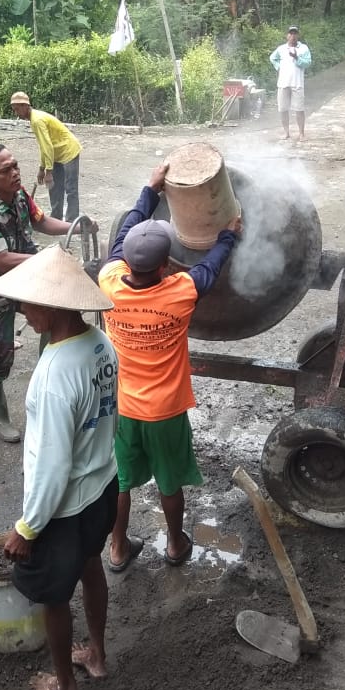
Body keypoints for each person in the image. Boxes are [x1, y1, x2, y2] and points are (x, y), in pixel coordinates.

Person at [0, 244, 119, 690]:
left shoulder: (55, 372)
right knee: (91, 565)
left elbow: (52, 464)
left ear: (51, 304)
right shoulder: (101, 344)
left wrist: (28, 527)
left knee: (54, 596)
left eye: (27, 302)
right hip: (103, 487)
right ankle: (97, 655)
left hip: (64, 508)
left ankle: (65, 686)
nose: (23, 312)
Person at [98, 164, 241, 571]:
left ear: (127, 262)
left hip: (124, 407)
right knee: (169, 479)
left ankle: (118, 547)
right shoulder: (180, 293)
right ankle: (176, 544)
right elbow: (211, 266)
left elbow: (126, 233)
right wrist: (229, 232)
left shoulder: (109, 281)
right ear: (166, 266)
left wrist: (148, 190)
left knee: (121, 480)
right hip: (165, 411)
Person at [0, 144, 77, 443]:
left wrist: (74, 228)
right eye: (5, 170)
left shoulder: (21, 196)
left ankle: (50, 370)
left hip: (24, 278)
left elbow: (41, 221)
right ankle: (0, 419)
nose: (14, 173)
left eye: (15, 166)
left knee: (59, 311)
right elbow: (2, 261)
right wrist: (50, 258)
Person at [9, 91, 82, 222]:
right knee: (54, 187)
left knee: (70, 188)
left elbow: (47, 146)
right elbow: (44, 146)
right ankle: (56, 217)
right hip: (56, 154)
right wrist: (42, 168)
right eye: (14, 110)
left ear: (25, 105)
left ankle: (71, 222)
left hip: (68, 150)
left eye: (17, 109)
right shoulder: (34, 119)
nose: (16, 113)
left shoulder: (37, 120)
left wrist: (48, 171)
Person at [269, 26, 312, 140]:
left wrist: (296, 57)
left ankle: (301, 133)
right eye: (291, 34)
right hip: (283, 83)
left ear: (298, 35)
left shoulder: (303, 48)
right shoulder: (281, 49)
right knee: (283, 109)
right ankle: (286, 132)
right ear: (287, 35)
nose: (293, 36)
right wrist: (279, 67)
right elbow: (272, 58)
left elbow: (307, 63)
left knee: (299, 109)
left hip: (297, 83)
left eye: (295, 34)